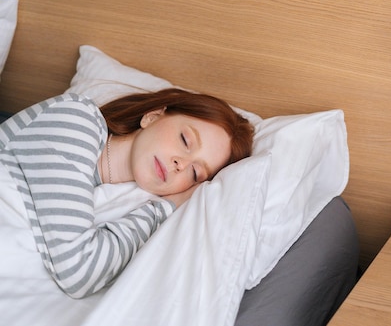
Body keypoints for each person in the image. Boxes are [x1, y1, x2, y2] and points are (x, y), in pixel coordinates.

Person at [0, 88, 254, 299]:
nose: (181, 164)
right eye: (185, 141)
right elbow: (79, 271)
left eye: (196, 173)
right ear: (152, 116)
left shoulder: (121, 199)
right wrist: (165, 208)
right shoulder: (78, 118)